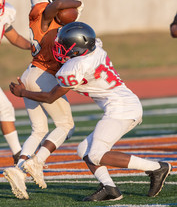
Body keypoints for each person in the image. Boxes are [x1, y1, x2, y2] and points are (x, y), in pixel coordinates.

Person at [8, 22, 172, 201]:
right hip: (123, 104)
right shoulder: (95, 48)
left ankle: (156, 168)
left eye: (63, 46)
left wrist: (23, 93)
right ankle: (109, 188)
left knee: (96, 154)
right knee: (84, 149)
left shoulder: (75, 67)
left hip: (121, 109)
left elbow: (50, 97)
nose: (59, 49)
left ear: (77, 49)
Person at [3, 0, 84, 200]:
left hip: (32, 73)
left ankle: (18, 169)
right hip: (43, 76)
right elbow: (54, 7)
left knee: (38, 130)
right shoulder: (42, 12)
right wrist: (78, 2)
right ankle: (36, 162)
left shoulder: (45, 16)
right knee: (66, 125)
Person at [0, 0, 31, 164]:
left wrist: (32, 47)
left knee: (5, 109)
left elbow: (13, 36)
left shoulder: (5, 14)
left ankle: (17, 155)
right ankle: (18, 154)